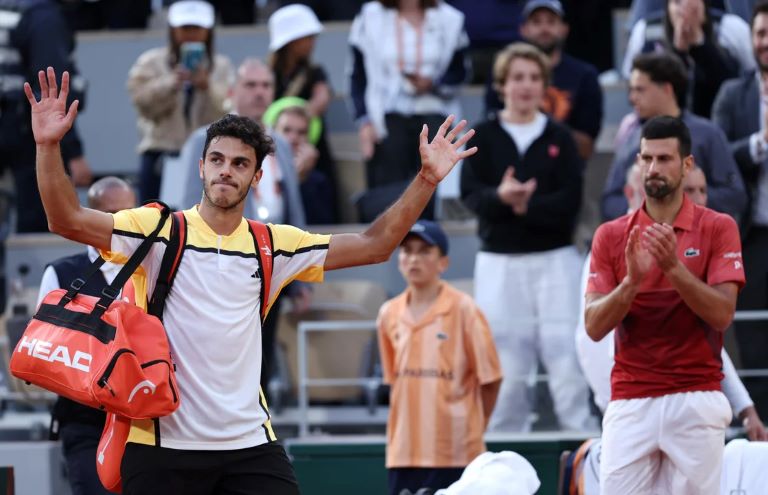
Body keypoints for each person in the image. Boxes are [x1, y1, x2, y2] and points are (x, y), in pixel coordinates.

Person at [25, 66, 476, 495]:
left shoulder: (272, 244)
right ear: (200, 166)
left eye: (240, 163)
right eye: (217, 159)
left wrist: (425, 179)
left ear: (256, 176)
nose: (226, 169)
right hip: (162, 443)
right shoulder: (159, 230)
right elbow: (64, 218)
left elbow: (375, 245)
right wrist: (48, 146)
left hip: (248, 444)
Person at [585, 116, 745, 494]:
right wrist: (631, 284)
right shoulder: (610, 236)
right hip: (630, 397)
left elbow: (723, 314)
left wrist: (673, 268)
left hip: (696, 394)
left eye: (664, 158)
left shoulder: (719, 227)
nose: (653, 168)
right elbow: (593, 327)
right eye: (646, 158)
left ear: (687, 164)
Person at [577, 163, 767, 441]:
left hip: (692, 400)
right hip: (632, 402)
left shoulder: (707, 235)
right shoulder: (611, 241)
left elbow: (708, 333)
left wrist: (745, 407)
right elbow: (589, 336)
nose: (699, 198)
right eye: (689, 190)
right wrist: (612, 406)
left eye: (703, 190)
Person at [461, 43, 595, 433]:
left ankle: (582, 443)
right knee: (506, 362)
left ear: (545, 86)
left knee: (565, 354)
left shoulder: (561, 137)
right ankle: (503, 448)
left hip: (555, 259)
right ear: (502, 85)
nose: (526, 86)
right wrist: (500, 199)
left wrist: (525, 206)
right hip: (499, 263)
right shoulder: (482, 135)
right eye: (518, 77)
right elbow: (471, 195)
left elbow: (571, 199)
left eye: (535, 78)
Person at [177, 57, 307, 399]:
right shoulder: (202, 142)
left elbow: (293, 208)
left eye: (266, 86)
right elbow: (183, 205)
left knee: (260, 359)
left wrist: (299, 279)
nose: (260, 93)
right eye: (251, 85)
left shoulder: (280, 143)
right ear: (232, 92)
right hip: (216, 266)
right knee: (217, 357)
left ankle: (253, 428)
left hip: (271, 264)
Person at [377, 220, 502, 495]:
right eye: (407, 251)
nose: (414, 258)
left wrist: (473, 430)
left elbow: (490, 380)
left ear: (443, 262)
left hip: (457, 452)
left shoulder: (465, 309)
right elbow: (394, 381)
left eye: (424, 251)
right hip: (404, 452)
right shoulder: (388, 313)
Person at [35, 177, 136, 495]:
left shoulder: (157, 269)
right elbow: (43, 350)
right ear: (91, 214)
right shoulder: (61, 273)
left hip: (146, 422)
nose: (121, 224)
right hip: (84, 420)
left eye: (128, 214)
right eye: (111, 213)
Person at [348, 0, 469, 220]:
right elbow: (357, 76)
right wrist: (364, 121)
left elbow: (460, 72)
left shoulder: (450, 18)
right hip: (385, 117)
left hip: (436, 111)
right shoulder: (369, 15)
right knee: (391, 194)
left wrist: (434, 83)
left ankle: (429, 243)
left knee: (434, 181)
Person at [601, 52, 745, 221]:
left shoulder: (707, 134)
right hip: (642, 241)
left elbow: (734, 196)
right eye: (647, 158)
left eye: (640, 89)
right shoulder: (632, 138)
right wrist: (643, 203)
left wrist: (685, 195)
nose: (632, 98)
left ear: (667, 89)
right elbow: (609, 201)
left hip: (698, 241)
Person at [712, 0, 768, 417]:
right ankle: (762, 427)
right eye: (762, 34)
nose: (766, 43)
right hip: (752, 236)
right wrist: (760, 143)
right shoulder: (734, 92)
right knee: (753, 339)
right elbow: (718, 154)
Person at [127, 0, 232, 202]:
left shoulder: (221, 67)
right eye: (185, 28)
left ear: (208, 31)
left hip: (206, 155)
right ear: (173, 30)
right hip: (161, 151)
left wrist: (206, 87)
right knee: (153, 221)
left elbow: (228, 110)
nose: (191, 34)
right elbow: (141, 103)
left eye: (197, 28)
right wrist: (171, 84)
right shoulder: (150, 62)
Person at [0, 0, 91, 233]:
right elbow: (52, 91)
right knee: (37, 218)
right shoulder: (42, 16)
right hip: (20, 129)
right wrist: (74, 153)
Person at [485, 0, 603, 160]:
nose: (544, 28)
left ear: (564, 29)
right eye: (536, 22)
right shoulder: (503, 71)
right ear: (523, 29)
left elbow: (586, 146)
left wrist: (538, 124)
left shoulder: (585, 75)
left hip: (562, 170)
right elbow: (491, 127)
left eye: (551, 21)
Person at [268, 4, 338, 223]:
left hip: (312, 150)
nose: (312, 43)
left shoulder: (314, 72)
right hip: (274, 152)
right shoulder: (269, 76)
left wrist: (297, 124)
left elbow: (322, 96)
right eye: (306, 37)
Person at [622, 0, 752, 118]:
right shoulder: (645, 30)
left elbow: (748, 81)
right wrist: (678, 51)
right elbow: (634, 82)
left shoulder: (730, 28)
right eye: (677, 2)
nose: (684, 12)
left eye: (691, 4)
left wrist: (700, 44)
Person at [269, 102, 335, 225]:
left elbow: (322, 225)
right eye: (286, 130)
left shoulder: (319, 181)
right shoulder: (262, 170)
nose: (293, 138)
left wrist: (302, 178)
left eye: (301, 132)